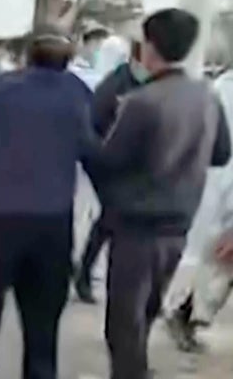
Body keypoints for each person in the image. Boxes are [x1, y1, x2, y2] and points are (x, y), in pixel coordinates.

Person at [0, 27, 94, 379]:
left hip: (0, 219)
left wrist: (8, 78)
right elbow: (95, 144)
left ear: (27, 58)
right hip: (53, 222)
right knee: (43, 324)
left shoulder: (7, 88)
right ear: (68, 63)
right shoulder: (78, 93)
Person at [96, 9, 230, 379]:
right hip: (180, 223)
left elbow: (111, 159)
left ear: (149, 46)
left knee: (123, 323)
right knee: (146, 312)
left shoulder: (142, 101)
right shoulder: (207, 96)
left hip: (137, 223)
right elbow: (221, 153)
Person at [165, 61, 233, 352]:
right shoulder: (225, 89)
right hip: (223, 194)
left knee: (220, 267)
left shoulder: (221, 87)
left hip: (220, 193)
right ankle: (184, 314)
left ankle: (186, 314)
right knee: (219, 265)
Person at [74, 35, 146, 303]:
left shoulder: (149, 84)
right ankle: (86, 272)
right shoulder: (115, 84)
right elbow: (95, 124)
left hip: (136, 165)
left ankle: (89, 271)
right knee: (111, 218)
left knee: (114, 220)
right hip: (108, 162)